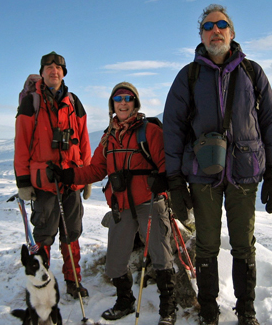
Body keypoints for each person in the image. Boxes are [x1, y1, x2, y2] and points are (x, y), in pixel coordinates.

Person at [163, 4, 272, 325]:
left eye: (221, 25)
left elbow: (270, 123)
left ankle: (246, 311)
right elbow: (172, 129)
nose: (215, 30)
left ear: (232, 32)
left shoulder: (252, 72)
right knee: (206, 245)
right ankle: (209, 311)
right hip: (202, 175)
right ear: (201, 35)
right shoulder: (188, 76)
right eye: (208, 26)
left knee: (244, 244)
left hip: (244, 172)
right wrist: (174, 181)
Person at [46, 82, 177, 325]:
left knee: (161, 254)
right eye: (118, 99)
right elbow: (95, 170)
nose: (123, 102)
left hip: (149, 200)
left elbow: (166, 163)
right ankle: (125, 300)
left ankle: (168, 307)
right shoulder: (108, 138)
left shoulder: (149, 132)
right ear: (112, 105)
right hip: (121, 204)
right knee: (116, 260)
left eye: (128, 98)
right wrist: (68, 175)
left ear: (135, 103)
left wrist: (163, 180)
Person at [14, 51, 92, 299]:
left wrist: (86, 175)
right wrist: (23, 182)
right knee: (44, 236)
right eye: (48, 67)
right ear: (42, 72)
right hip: (44, 184)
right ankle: (42, 285)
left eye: (57, 67)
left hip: (70, 181)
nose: (53, 71)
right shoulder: (32, 103)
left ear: (63, 73)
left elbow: (84, 140)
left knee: (72, 234)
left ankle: (73, 281)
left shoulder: (73, 102)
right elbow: (22, 143)